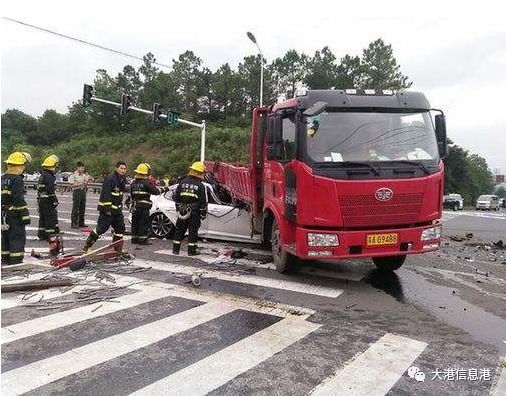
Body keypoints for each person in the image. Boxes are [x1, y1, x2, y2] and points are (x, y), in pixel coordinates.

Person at [83, 161, 127, 254]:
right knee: (101, 229)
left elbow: (121, 192)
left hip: (117, 210)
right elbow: (105, 194)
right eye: (121, 168)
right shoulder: (110, 178)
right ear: (116, 168)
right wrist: (107, 209)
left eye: (124, 169)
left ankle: (117, 249)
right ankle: (87, 246)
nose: (123, 170)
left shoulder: (122, 179)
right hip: (108, 210)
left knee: (120, 228)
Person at [1, 152, 32, 265]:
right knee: (17, 236)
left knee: (5, 236)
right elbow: (18, 198)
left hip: (4, 214)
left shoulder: (4, 178)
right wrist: (25, 214)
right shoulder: (17, 179)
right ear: (20, 165)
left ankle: (5, 258)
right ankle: (16, 260)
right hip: (14, 214)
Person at [172, 161, 207, 256]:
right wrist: (203, 214)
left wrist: (179, 209)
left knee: (179, 230)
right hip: (194, 212)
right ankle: (191, 251)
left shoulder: (182, 182)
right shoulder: (200, 186)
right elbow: (203, 202)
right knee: (193, 231)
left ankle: (175, 250)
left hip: (182, 211)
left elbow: (176, 198)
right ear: (199, 173)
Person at [130, 163, 162, 245]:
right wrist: (164, 189)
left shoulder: (133, 183)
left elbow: (132, 194)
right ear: (146, 173)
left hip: (135, 206)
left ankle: (134, 239)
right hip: (144, 207)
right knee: (143, 223)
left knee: (135, 223)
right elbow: (156, 192)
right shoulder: (146, 183)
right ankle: (143, 240)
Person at [37, 155, 62, 255]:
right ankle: (50, 235)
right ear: (51, 166)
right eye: (55, 166)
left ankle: (41, 234)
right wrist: (54, 200)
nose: (55, 168)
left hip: (41, 200)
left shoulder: (42, 175)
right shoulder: (50, 177)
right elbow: (51, 190)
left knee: (42, 218)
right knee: (50, 218)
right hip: (48, 200)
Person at [69, 161, 91, 228]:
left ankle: (81, 222)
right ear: (77, 167)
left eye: (83, 168)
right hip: (77, 191)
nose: (82, 169)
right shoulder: (73, 175)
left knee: (82, 207)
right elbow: (72, 185)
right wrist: (81, 183)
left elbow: (85, 184)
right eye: (81, 168)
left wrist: (88, 180)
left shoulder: (84, 175)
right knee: (76, 208)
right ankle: (74, 223)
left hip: (83, 191)